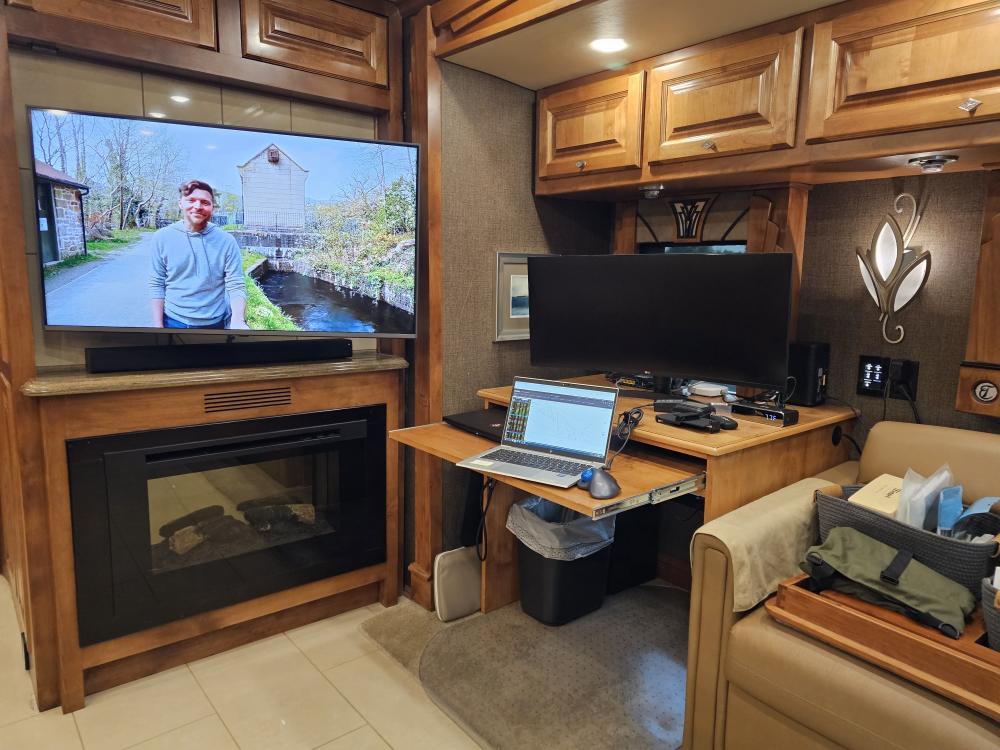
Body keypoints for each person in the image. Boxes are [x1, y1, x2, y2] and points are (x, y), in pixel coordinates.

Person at [149, 179, 248, 329]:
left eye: (205, 202)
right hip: (173, 321)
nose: (198, 206)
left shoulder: (227, 241)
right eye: (191, 200)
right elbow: (157, 283)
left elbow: (236, 284)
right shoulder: (162, 238)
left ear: (212, 207)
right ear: (180, 203)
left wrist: (238, 321)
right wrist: (158, 326)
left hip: (214, 324)